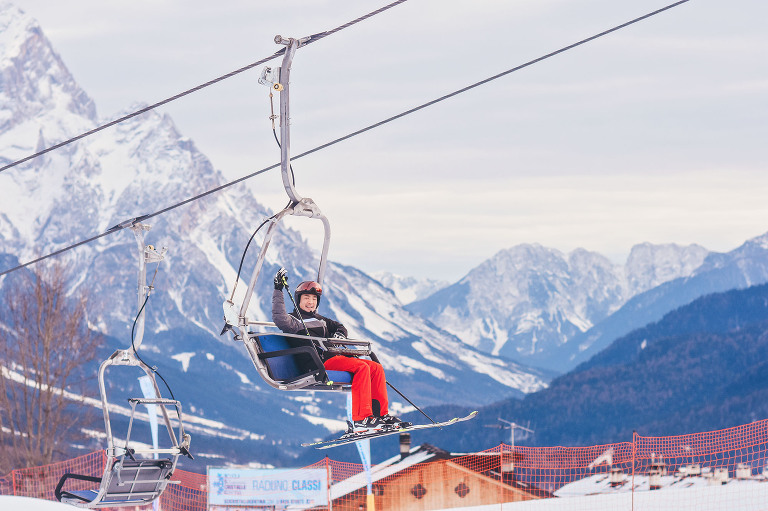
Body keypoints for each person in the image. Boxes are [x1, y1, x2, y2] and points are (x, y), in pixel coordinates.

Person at [271, 267, 410, 432]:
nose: (310, 302)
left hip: (332, 360)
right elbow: (279, 318)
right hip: (316, 363)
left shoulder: (320, 320)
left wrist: (339, 334)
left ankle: (379, 415)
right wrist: (278, 289)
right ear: (298, 300)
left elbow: (339, 326)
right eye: (306, 298)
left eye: (314, 299)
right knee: (361, 367)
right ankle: (361, 419)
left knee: (376, 368)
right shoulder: (293, 321)